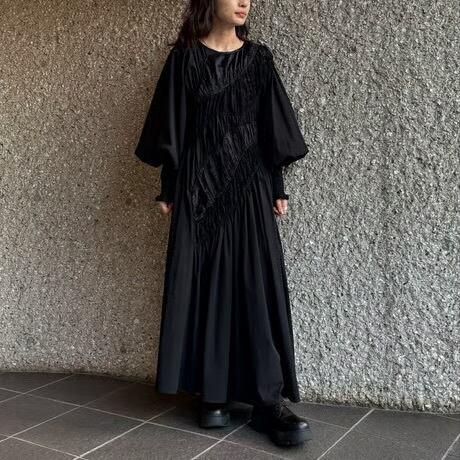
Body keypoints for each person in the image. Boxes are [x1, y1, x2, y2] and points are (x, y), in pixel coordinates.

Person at [134, 0, 312, 447]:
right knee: (205, 284)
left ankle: (267, 401)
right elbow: (172, 127)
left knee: (255, 286)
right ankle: (212, 394)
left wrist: (277, 185)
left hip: (250, 185)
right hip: (198, 188)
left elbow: (271, 127)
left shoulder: (258, 59)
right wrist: (169, 187)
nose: (244, 1)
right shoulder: (183, 60)